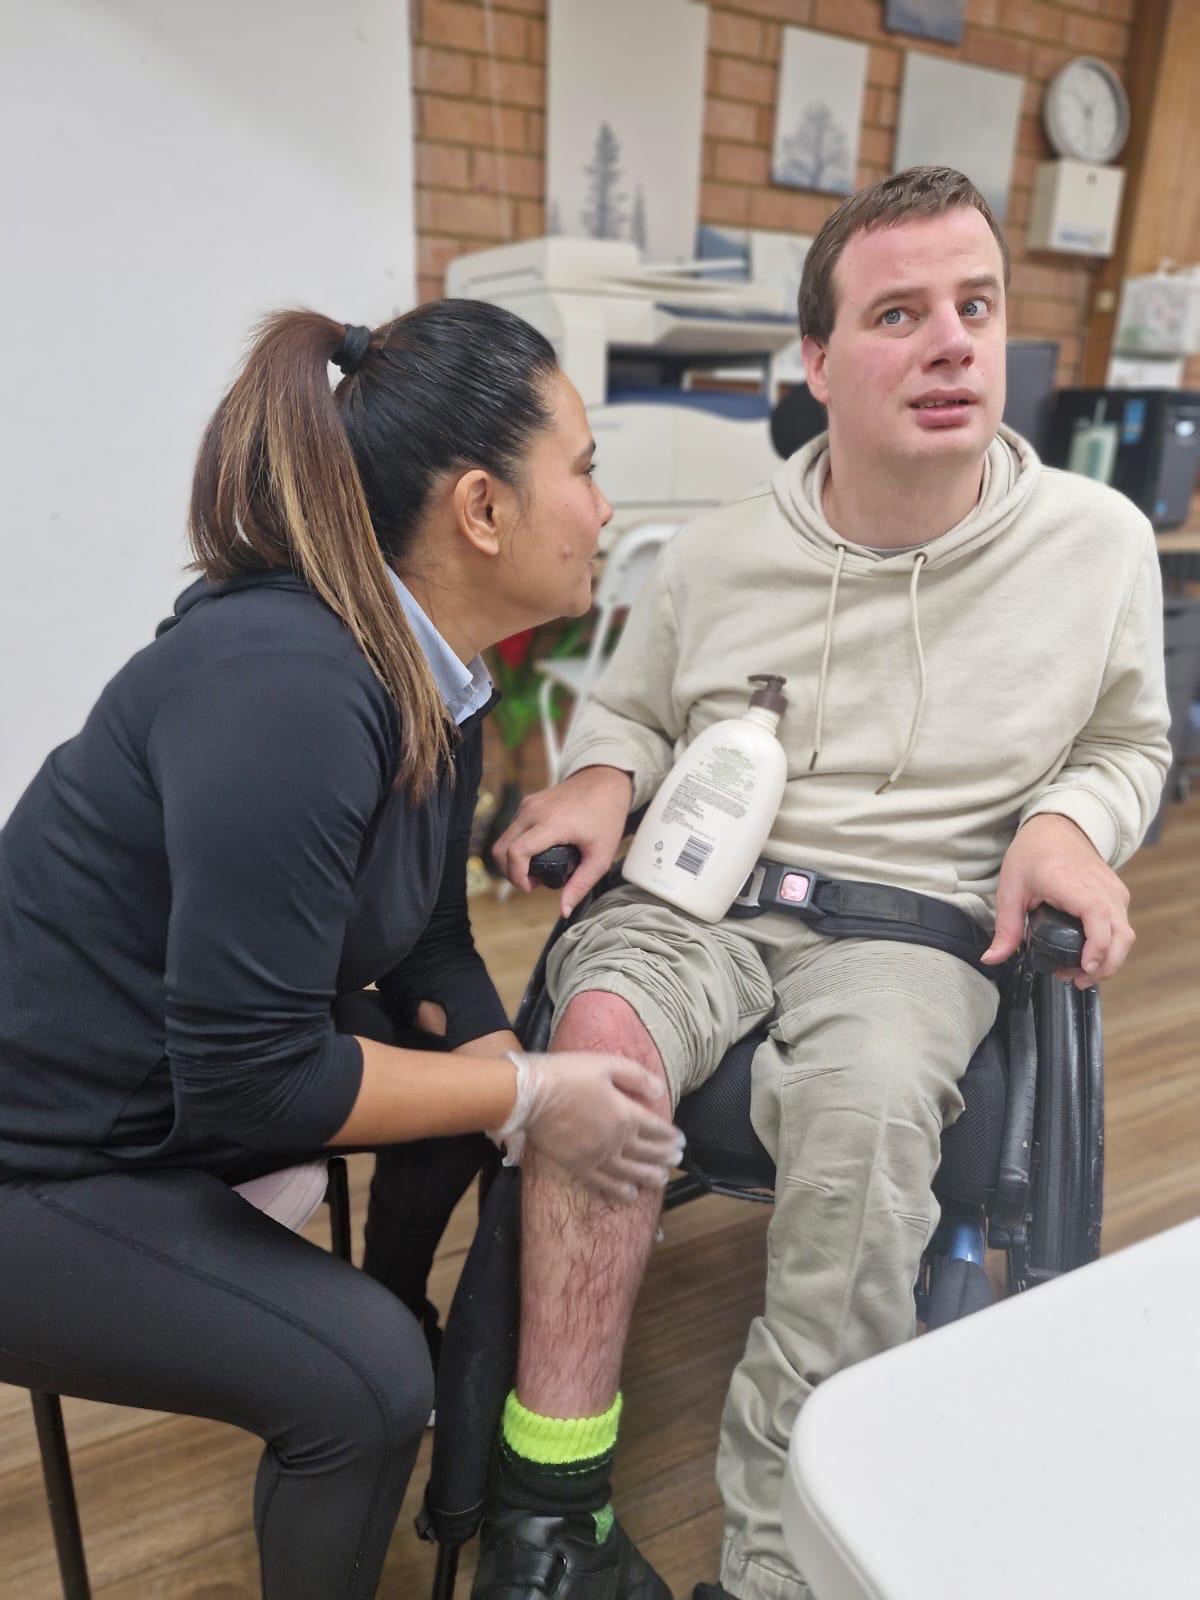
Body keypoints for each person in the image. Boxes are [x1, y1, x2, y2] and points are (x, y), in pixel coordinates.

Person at [488, 167, 1172, 1600]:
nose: (951, 344)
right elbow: (631, 713)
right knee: (592, 1047)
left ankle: (780, 1560)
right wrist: (606, 773)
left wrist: (1069, 824)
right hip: (702, 901)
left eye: (974, 307)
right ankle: (549, 1516)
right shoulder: (721, 555)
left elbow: (1128, 742)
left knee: (861, 1126)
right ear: (814, 361)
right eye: (900, 313)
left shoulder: (1096, 543)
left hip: (914, 934)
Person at [0, 299, 684, 1600]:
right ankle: (363, 1371)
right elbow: (260, 1080)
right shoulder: (289, 684)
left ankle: (383, 1321)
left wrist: (506, 1088)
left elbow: (423, 947)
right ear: (482, 511)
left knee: (465, 1101)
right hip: (38, 1163)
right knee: (366, 1384)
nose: (603, 510)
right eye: (584, 471)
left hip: (170, 1087)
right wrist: (534, 1090)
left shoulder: (432, 676)